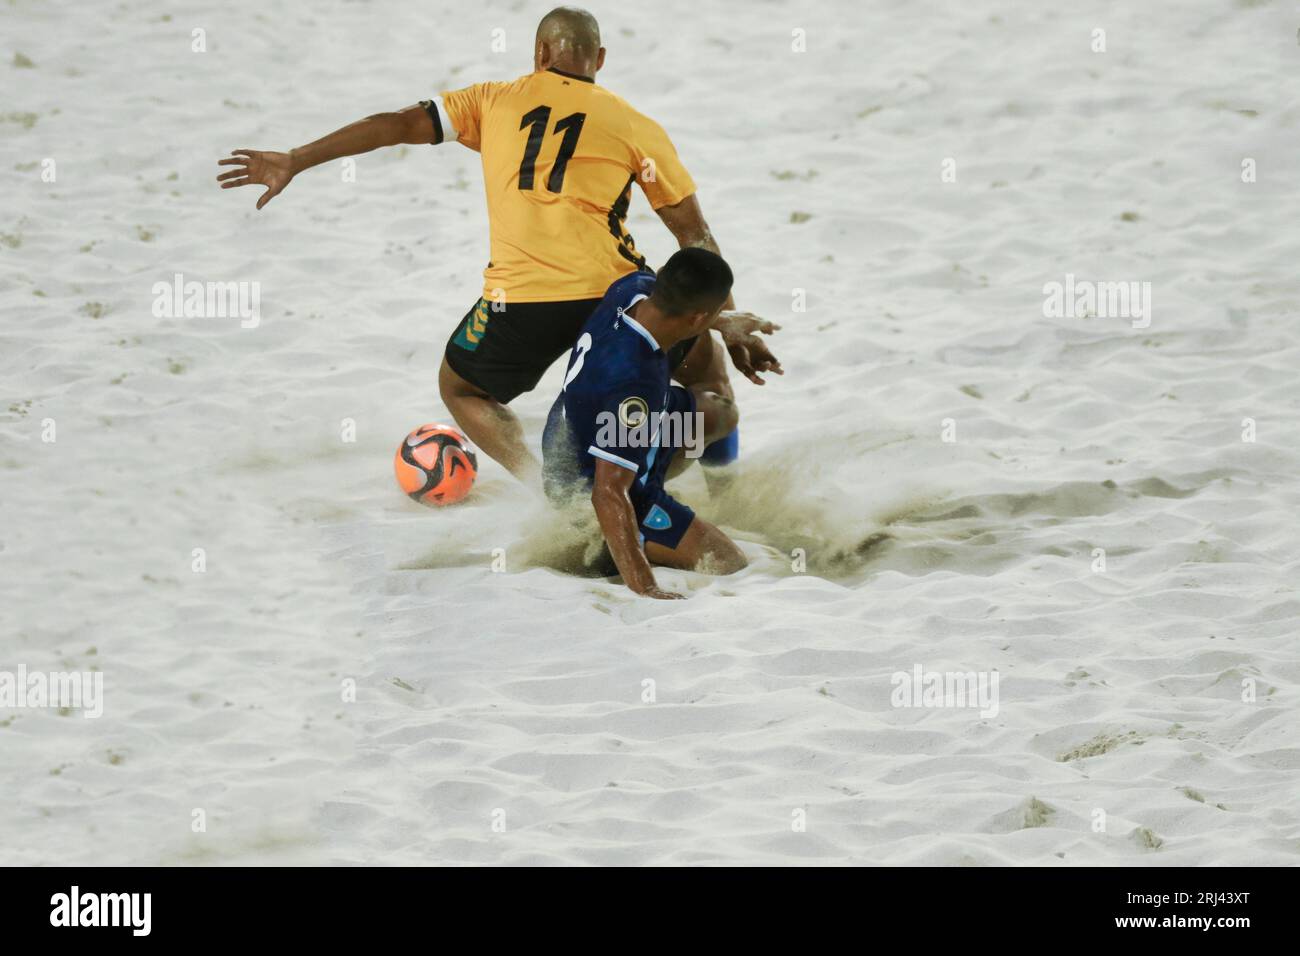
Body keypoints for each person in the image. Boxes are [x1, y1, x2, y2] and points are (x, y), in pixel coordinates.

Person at [217, 7, 777, 486]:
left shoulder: (491, 101)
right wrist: (724, 322)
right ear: (599, 60)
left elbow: (393, 124)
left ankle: (548, 490)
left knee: (460, 388)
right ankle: (704, 487)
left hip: (521, 299)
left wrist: (296, 158)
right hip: (618, 293)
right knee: (710, 389)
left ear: (539, 52)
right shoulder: (634, 124)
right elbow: (694, 237)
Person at [542, 248, 778, 599]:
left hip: (567, 432)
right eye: (716, 313)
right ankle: (616, 545)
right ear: (698, 317)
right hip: (585, 485)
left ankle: (723, 494)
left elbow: (681, 312)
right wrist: (645, 586)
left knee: (718, 409)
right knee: (728, 561)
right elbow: (607, 493)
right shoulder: (638, 385)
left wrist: (727, 323)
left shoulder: (632, 286)